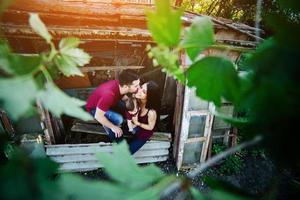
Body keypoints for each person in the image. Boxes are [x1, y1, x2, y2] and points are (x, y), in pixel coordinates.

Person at [86, 70, 140, 142]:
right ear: (125, 86)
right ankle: (117, 139)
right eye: (136, 86)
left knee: (128, 108)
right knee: (118, 119)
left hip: (109, 103)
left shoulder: (120, 85)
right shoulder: (109, 95)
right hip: (95, 109)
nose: (138, 87)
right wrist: (113, 127)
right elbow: (98, 116)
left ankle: (131, 127)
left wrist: (134, 106)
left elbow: (124, 98)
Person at [129, 81, 160, 154]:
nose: (139, 91)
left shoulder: (151, 112)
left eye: (144, 92)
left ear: (149, 96)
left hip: (143, 134)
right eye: (141, 87)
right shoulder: (137, 100)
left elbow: (150, 127)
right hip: (134, 128)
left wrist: (137, 123)